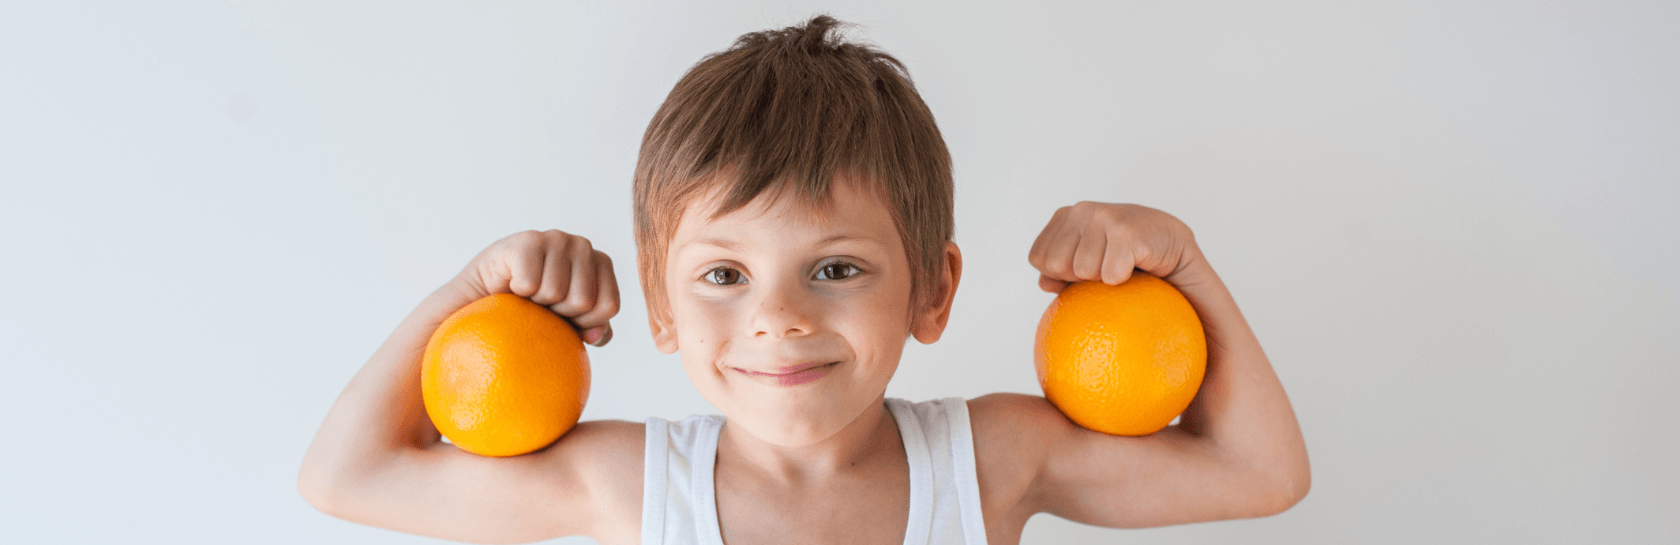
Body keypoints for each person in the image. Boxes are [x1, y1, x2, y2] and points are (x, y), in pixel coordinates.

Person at [298, 15, 1309, 545]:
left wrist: (1186, 262)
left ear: (933, 290)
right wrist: (473, 283)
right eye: (724, 273)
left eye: (835, 267)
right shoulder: (629, 485)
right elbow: (345, 474)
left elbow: (1263, 471)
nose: (776, 316)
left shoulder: (990, 457)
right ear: (659, 304)